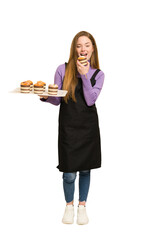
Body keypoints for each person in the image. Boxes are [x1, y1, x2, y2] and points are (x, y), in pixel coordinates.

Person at [39, 31, 105, 225]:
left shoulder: (98, 74)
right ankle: (69, 206)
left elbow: (91, 100)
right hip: (68, 127)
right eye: (78, 45)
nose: (82, 49)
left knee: (85, 170)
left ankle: (82, 207)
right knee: (69, 173)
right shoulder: (63, 69)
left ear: (93, 49)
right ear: (74, 49)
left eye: (86, 45)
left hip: (88, 128)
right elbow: (57, 99)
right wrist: (44, 96)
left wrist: (84, 75)